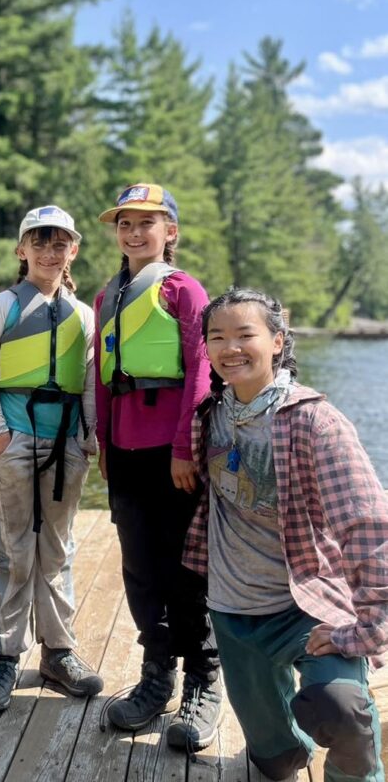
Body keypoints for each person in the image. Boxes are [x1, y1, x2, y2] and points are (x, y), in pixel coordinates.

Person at [184, 287, 387, 781]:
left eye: (245, 335)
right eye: (218, 337)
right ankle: (284, 751)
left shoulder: (315, 422)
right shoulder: (209, 416)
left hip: (306, 605)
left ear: (277, 341)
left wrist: (368, 626)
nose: (231, 347)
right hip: (233, 612)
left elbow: (368, 529)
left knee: (342, 710)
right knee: (275, 763)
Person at [95, 183, 222, 749]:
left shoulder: (185, 291)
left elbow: (200, 371)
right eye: (126, 222)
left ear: (169, 231)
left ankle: (203, 678)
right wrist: (103, 443)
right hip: (123, 448)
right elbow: (101, 377)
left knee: (185, 567)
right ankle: (156, 675)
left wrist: (184, 448)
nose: (135, 231)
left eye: (148, 222)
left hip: (171, 451)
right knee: (140, 566)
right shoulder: (107, 297)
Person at [0, 205, 103, 712]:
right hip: (14, 435)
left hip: (67, 439)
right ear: (21, 250)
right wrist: (1, 434)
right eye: (39, 242)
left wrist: (89, 437)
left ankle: (58, 652)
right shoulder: (0, 305)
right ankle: (4, 658)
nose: (49, 252)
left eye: (60, 243)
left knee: (58, 547)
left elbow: (90, 381)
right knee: (11, 549)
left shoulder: (84, 314)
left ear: (73, 250)